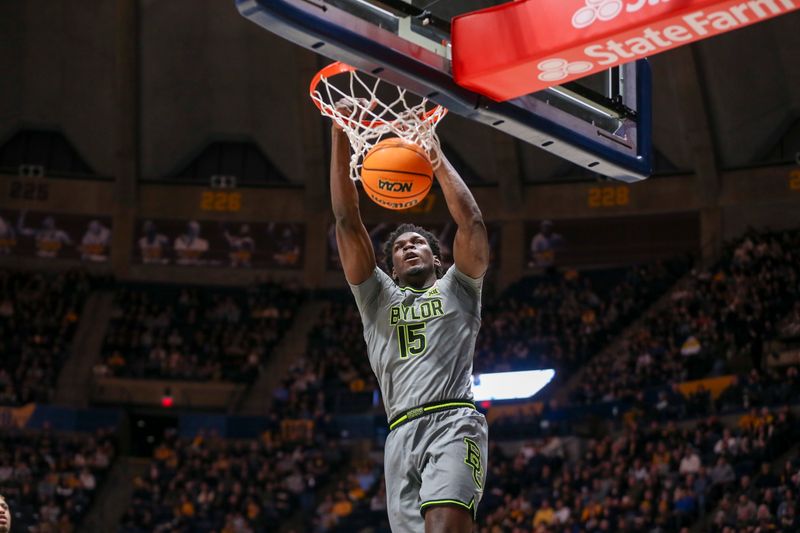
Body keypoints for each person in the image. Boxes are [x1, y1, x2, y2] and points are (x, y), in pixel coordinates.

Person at [329, 104, 489, 533]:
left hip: (454, 420)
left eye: (419, 242)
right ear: (392, 269)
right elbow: (346, 222)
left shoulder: (458, 288)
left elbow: (471, 223)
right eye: (401, 248)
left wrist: (432, 155)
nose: (410, 247)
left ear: (438, 259)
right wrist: (340, 132)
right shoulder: (377, 298)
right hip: (399, 432)